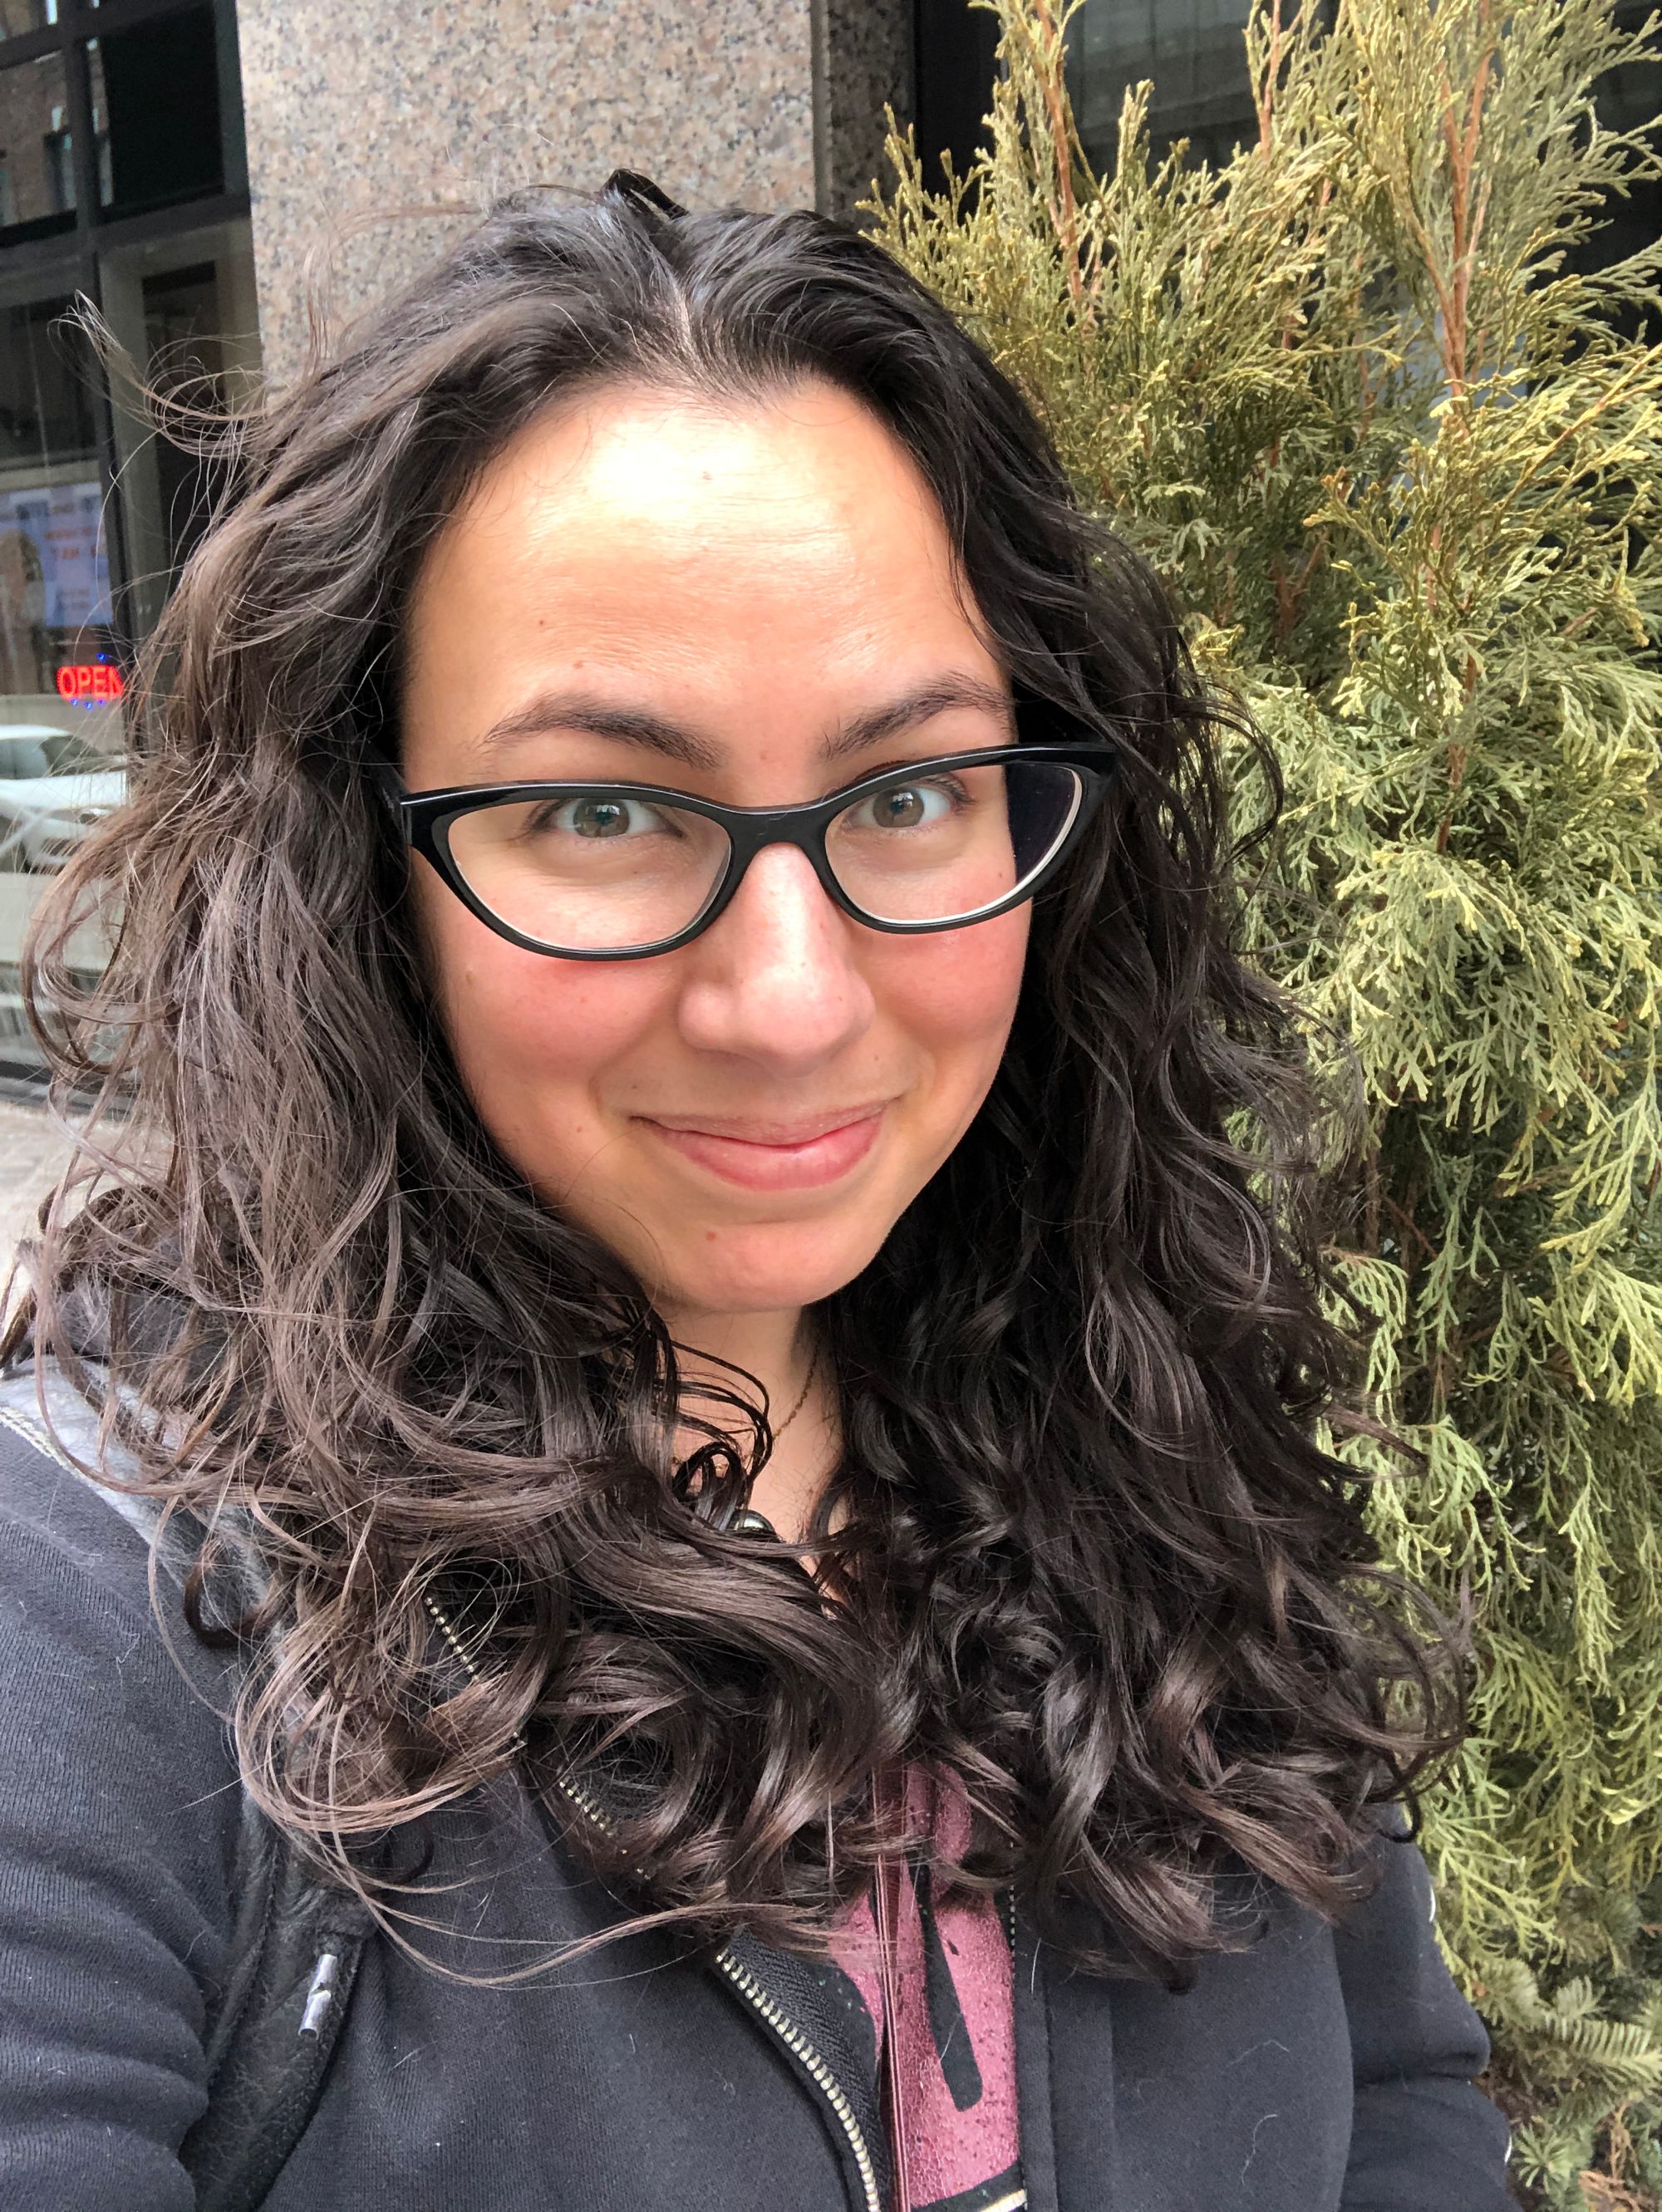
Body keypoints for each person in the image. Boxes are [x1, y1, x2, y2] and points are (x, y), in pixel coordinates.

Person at [0, 173, 1512, 2211]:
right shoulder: (96, 1625)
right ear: (360, 866)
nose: (793, 998)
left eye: (904, 794)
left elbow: (1399, 2101)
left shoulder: (1135, 1421)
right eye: (605, 808)